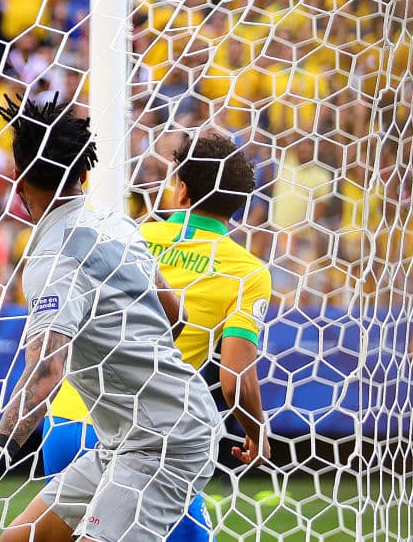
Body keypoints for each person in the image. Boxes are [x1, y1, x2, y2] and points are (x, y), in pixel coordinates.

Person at [0, 95, 222, 542]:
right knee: (20, 539)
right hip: (125, 438)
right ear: (85, 172)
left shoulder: (52, 257)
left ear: (19, 179)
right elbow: (174, 315)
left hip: (165, 441)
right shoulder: (119, 224)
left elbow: (46, 373)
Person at [40, 132, 274, 541]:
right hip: (154, 434)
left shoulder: (130, 235)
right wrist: (257, 435)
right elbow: (235, 380)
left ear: (181, 190)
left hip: (67, 421)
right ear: (240, 204)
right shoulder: (246, 271)